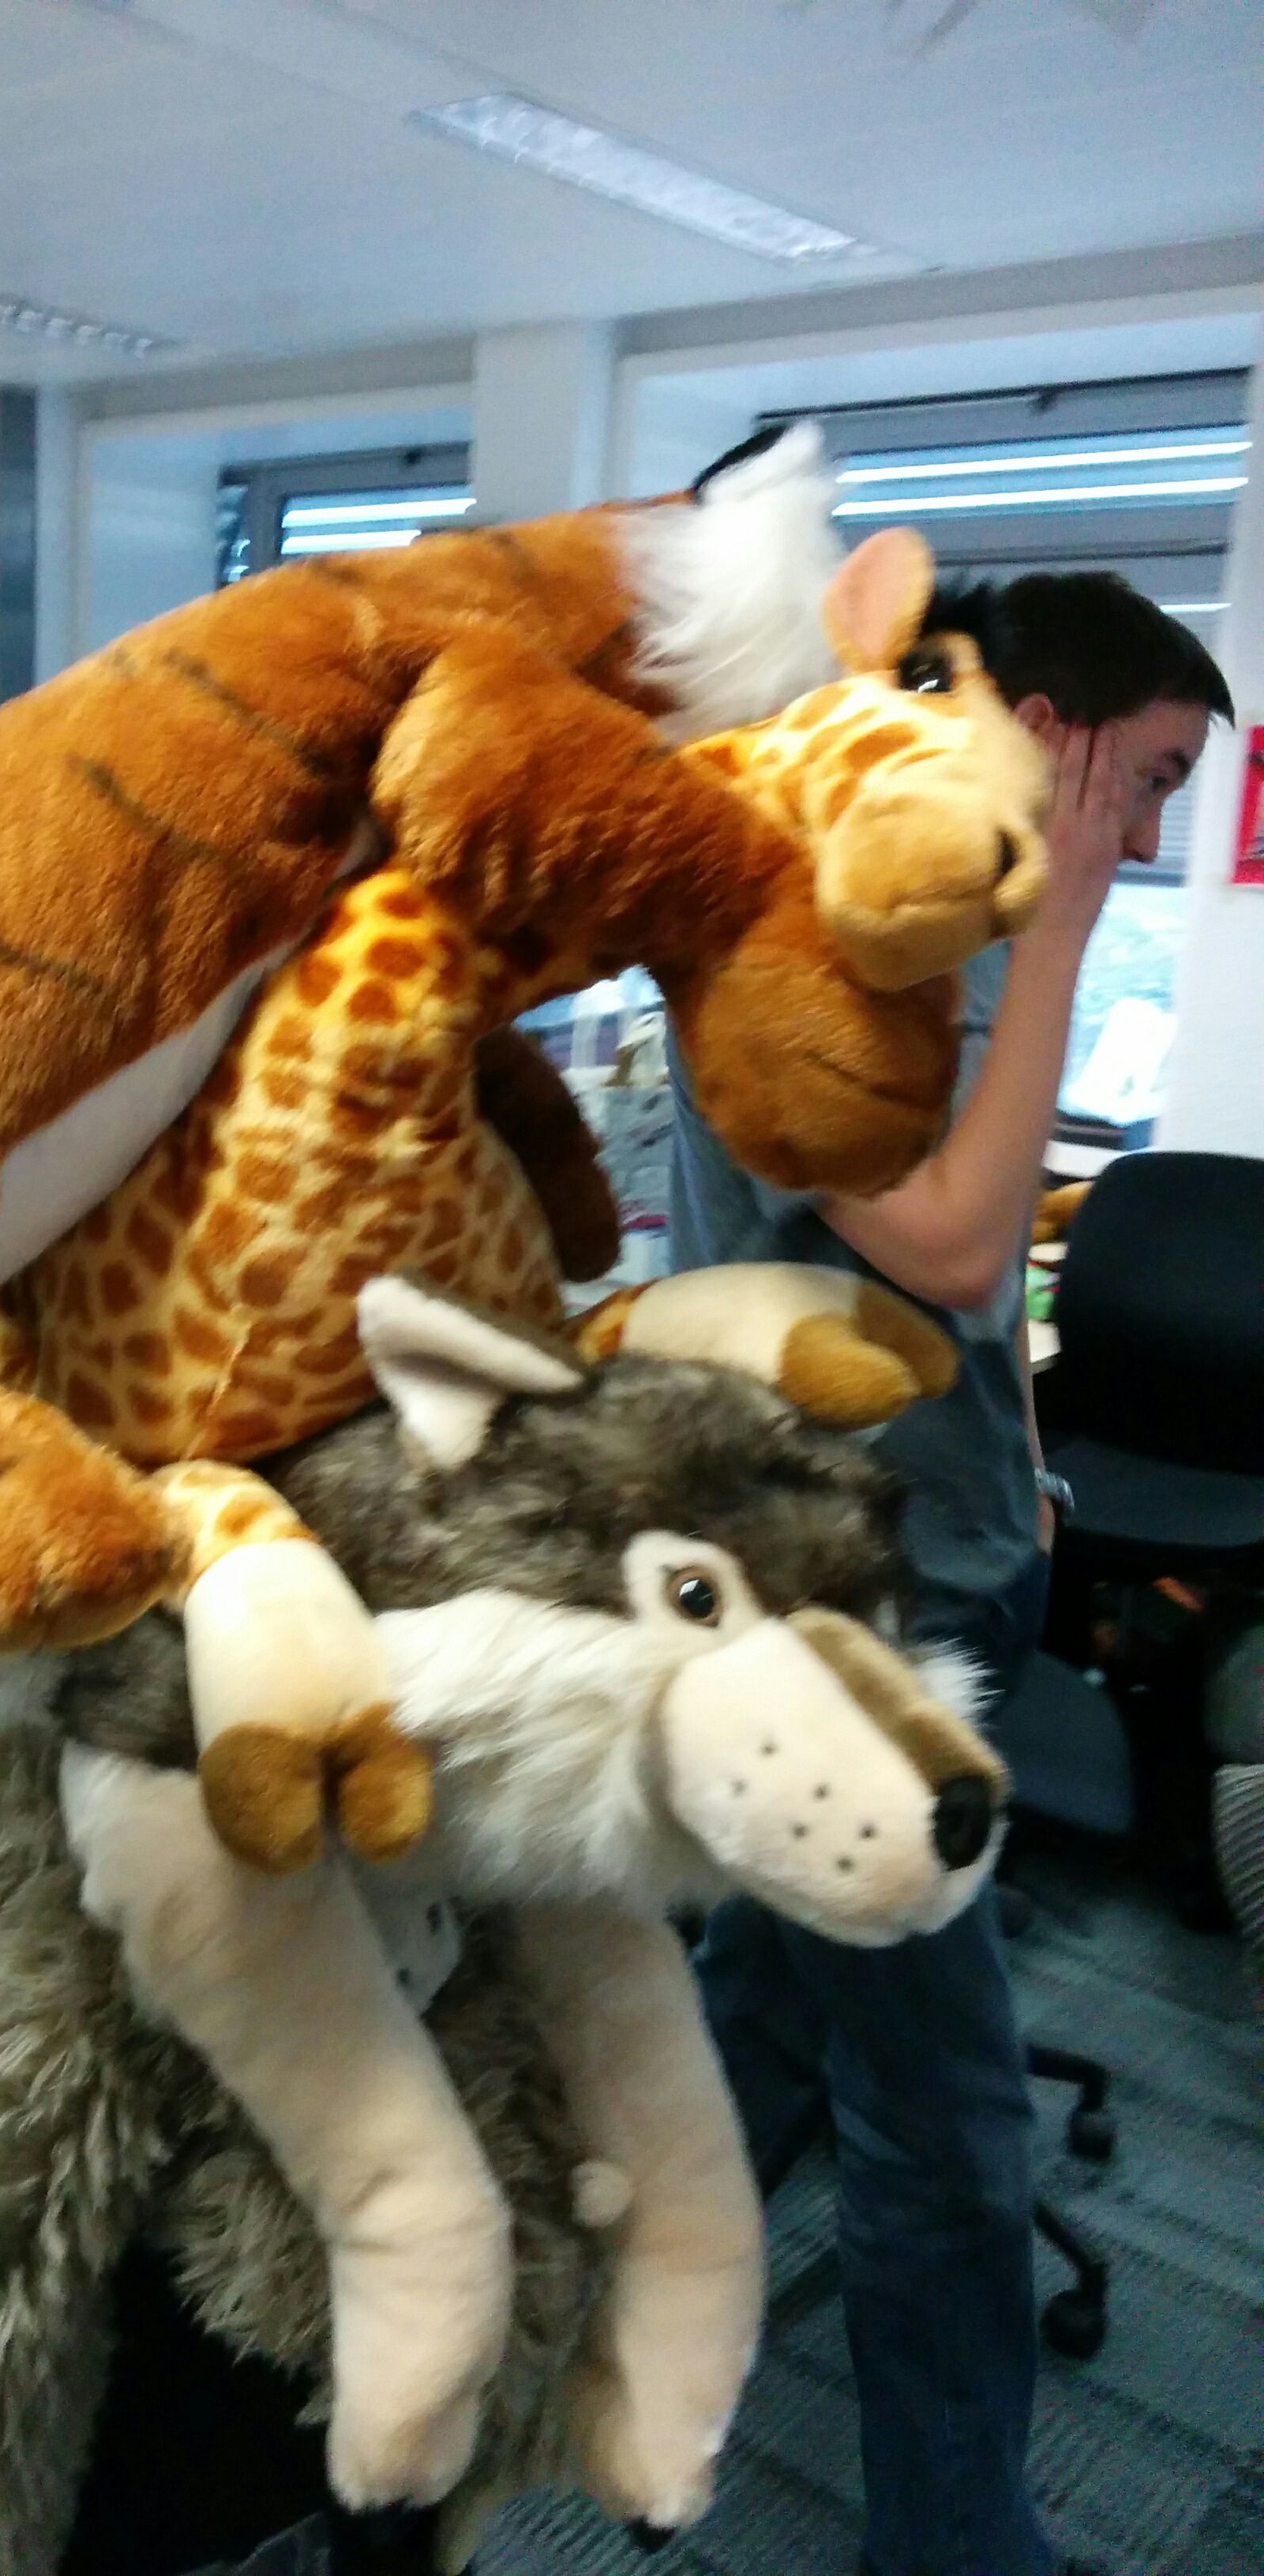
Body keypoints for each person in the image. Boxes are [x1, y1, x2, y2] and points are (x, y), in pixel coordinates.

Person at [670, 541, 1232, 2576]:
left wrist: (1032, 1480)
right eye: (1147, 779)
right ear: (1050, 732)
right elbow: (963, 1241)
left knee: (762, 2010)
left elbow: (971, 1318)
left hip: (949, 1551)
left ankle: (622, 2325)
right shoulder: (829, 920)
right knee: (947, 2119)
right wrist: (1068, 925)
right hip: (839, 1607)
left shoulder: (953, 909)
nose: (1149, 836)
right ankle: (957, 2543)